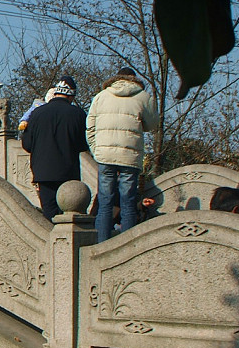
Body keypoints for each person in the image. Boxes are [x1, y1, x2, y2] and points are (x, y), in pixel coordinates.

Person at [86, 66, 160, 241]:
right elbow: (152, 124)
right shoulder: (143, 97)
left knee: (104, 203)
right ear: (133, 79)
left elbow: (90, 127)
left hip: (105, 156)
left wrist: (96, 150)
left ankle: (101, 246)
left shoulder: (101, 97)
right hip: (130, 157)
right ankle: (126, 247)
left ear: (117, 78)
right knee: (128, 203)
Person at [20, 75, 88, 221]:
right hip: (68, 172)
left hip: (43, 172)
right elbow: (83, 144)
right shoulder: (78, 114)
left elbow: (27, 144)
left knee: (49, 214)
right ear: (71, 96)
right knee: (69, 215)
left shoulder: (36, 114)